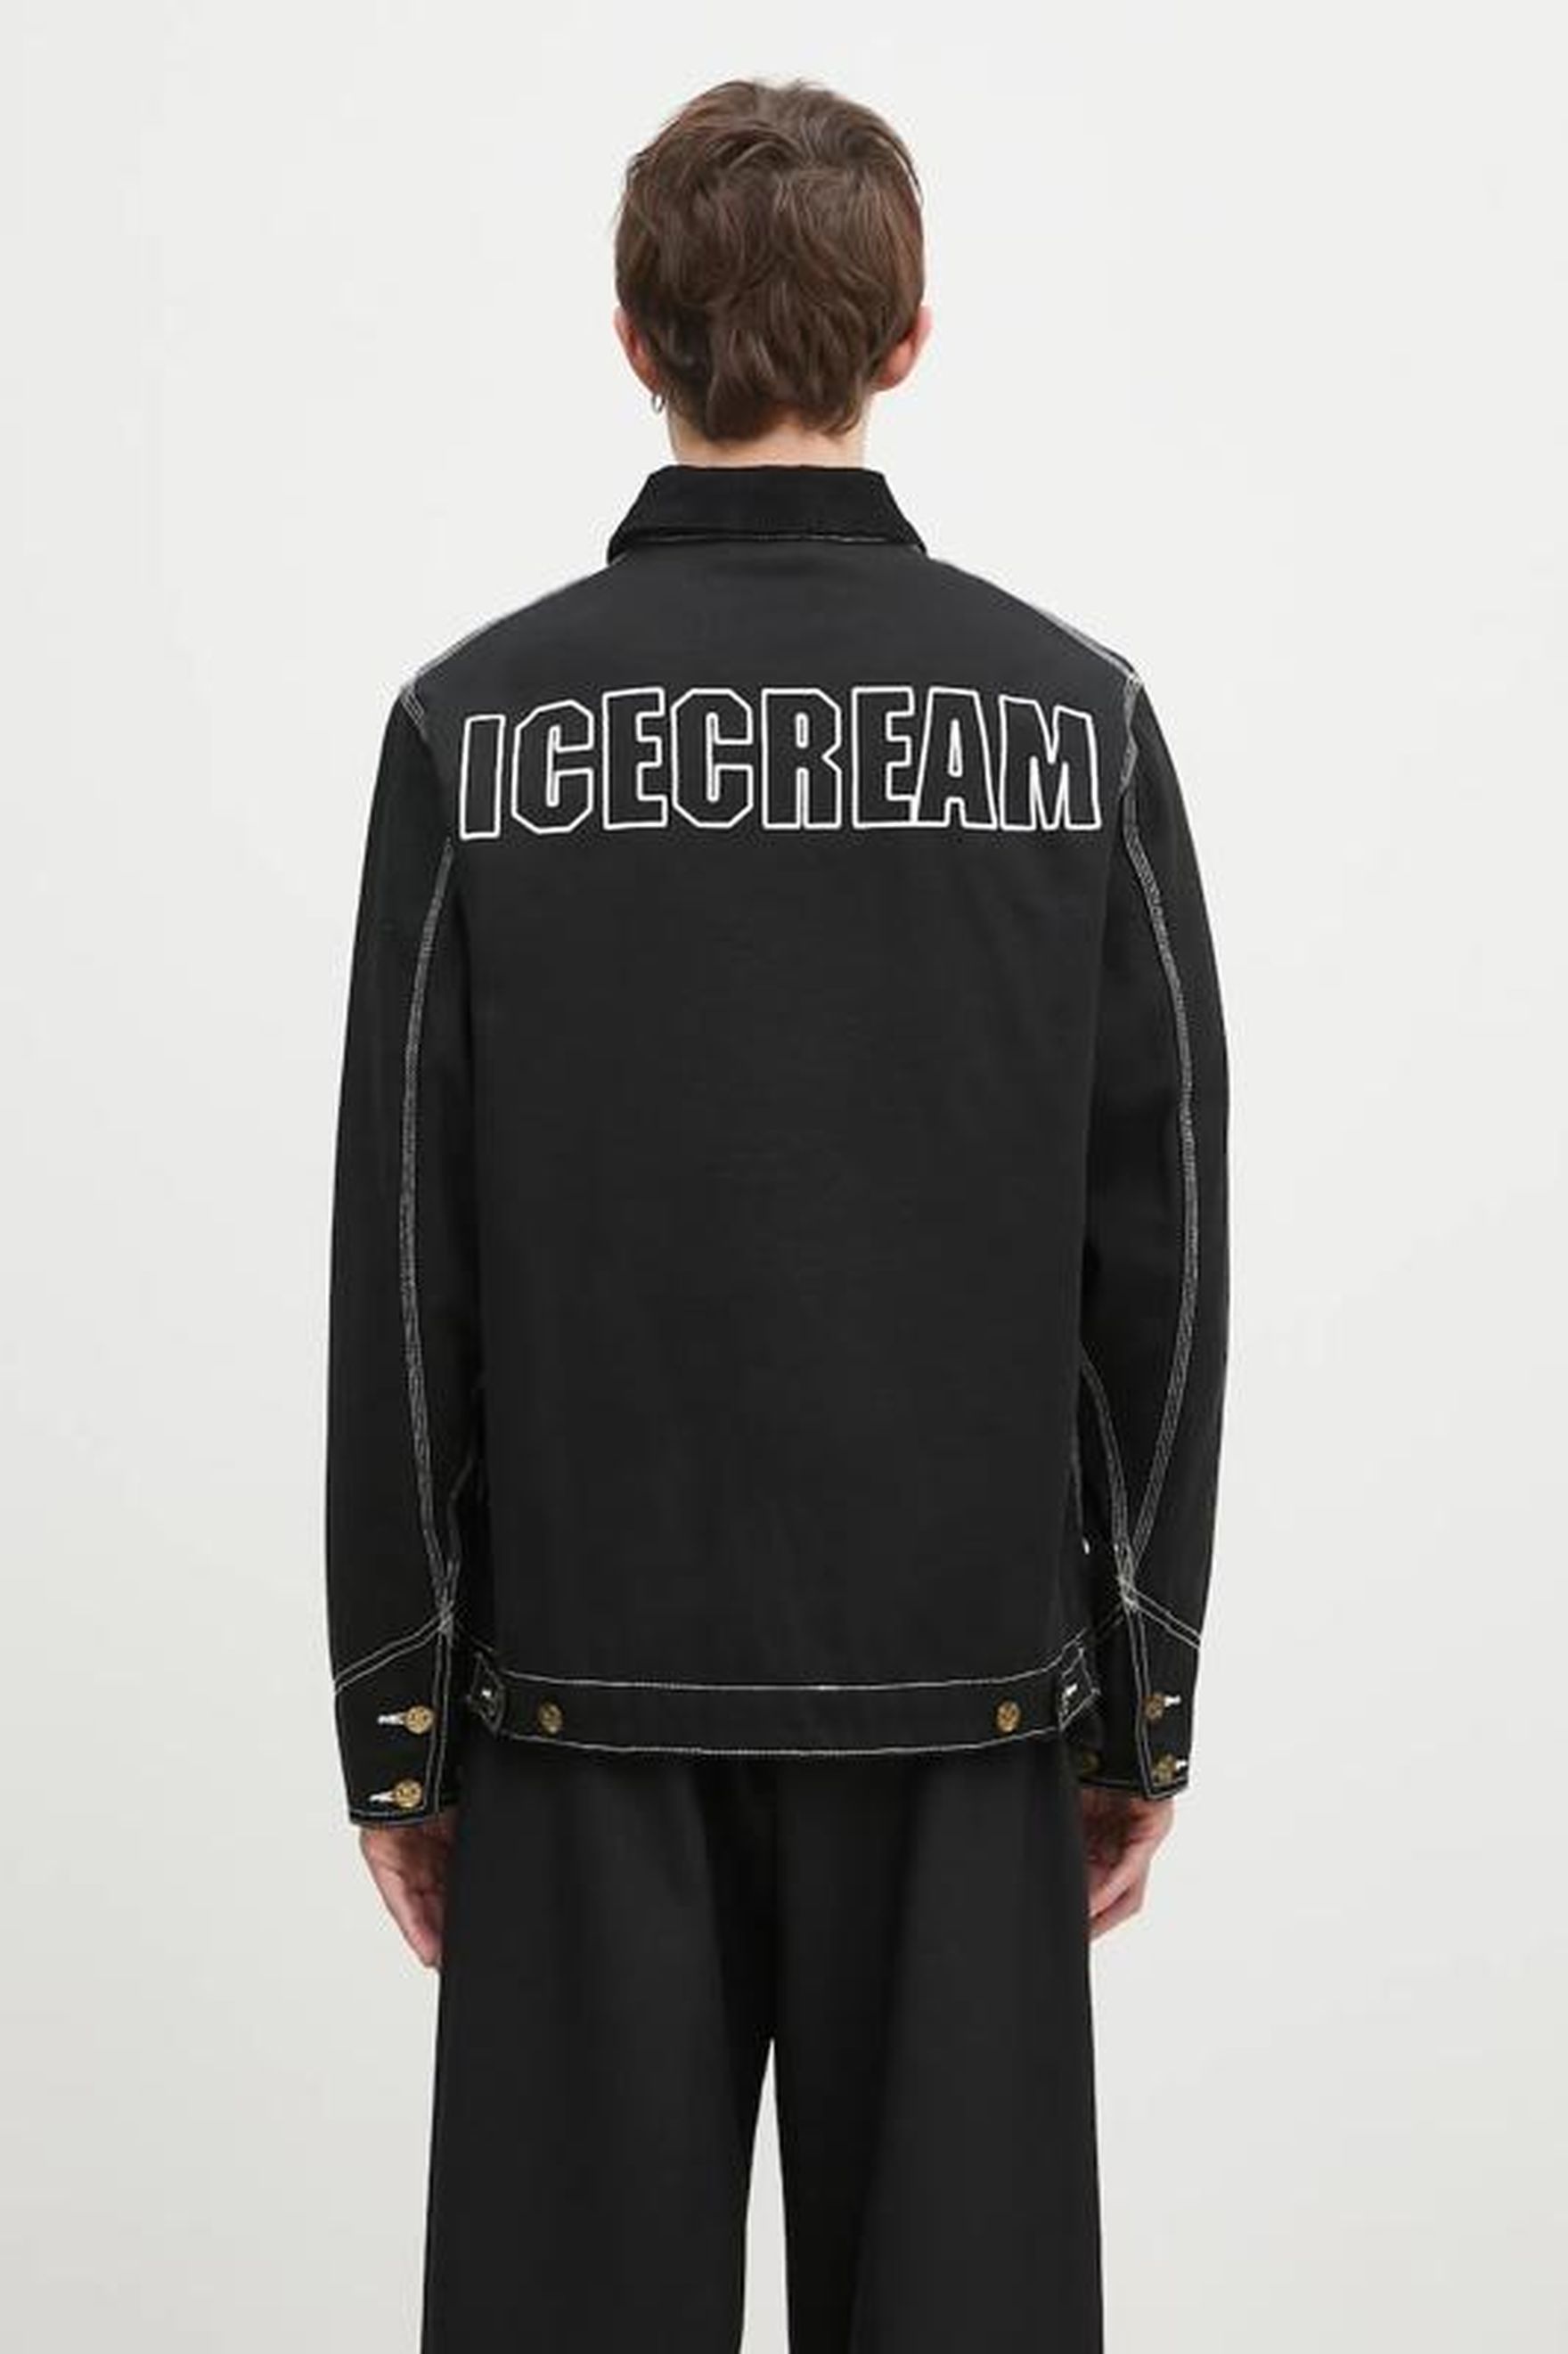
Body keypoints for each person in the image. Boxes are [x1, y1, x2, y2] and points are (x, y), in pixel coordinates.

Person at [323, 74, 1229, 2354]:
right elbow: (1157, 1262)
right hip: (964, 1707)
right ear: (909, 336)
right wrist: (1138, 1705)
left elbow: (405, 1271)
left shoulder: (473, 730)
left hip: (574, 1709)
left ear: (631, 337)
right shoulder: (1077, 727)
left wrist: (399, 1723)